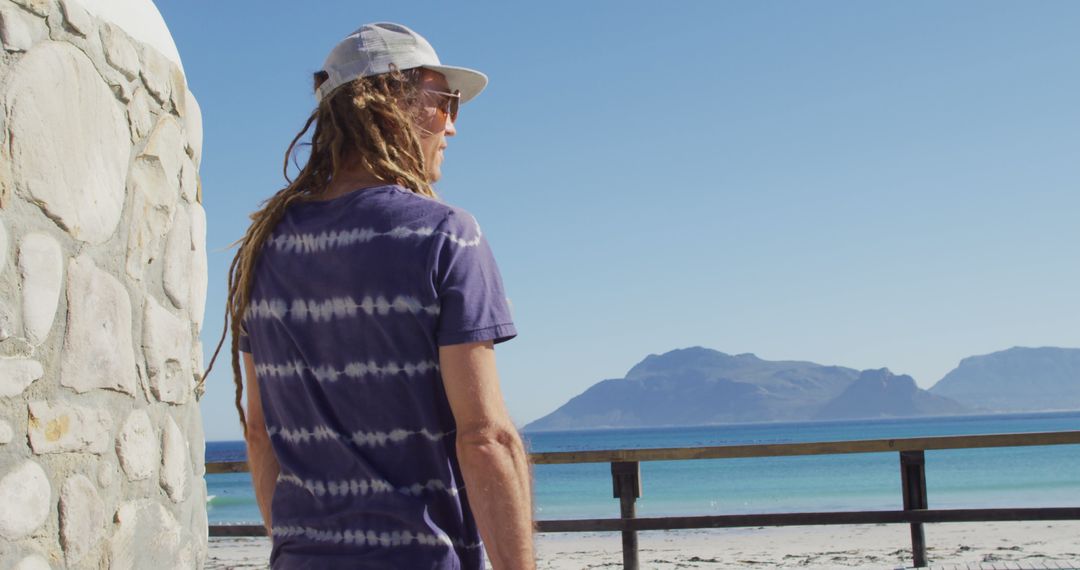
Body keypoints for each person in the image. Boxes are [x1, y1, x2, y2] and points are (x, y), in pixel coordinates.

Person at [205, 22, 536, 570]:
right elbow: (484, 438)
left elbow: (260, 430)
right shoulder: (446, 236)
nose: (452, 125)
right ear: (388, 103)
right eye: (444, 101)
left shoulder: (264, 249)